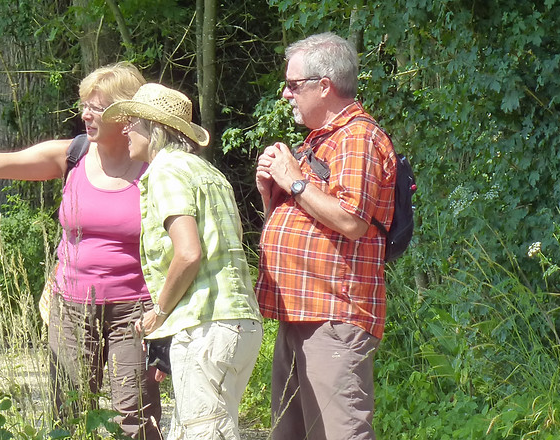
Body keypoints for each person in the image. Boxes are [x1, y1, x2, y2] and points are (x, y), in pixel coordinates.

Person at [0, 62, 162, 440]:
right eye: (84, 105)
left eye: (96, 108)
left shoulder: (156, 168)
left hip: (134, 311)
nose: (85, 114)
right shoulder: (73, 154)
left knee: (135, 419)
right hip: (71, 308)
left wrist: (163, 313)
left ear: (125, 115)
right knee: (69, 413)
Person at [254, 32, 397, 440]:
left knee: (339, 433)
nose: (286, 94)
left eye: (293, 84)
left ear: (324, 86)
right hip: (301, 314)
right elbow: (302, 222)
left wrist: (294, 181)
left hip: (334, 316)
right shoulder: (321, 140)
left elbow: (352, 220)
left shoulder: (357, 137)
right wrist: (271, 194)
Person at [102, 83, 263, 440]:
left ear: (154, 128)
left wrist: (159, 312)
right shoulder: (207, 171)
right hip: (240, 324)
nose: (125, 130)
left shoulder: (166, 170)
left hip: (207, 326)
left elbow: (189, 253)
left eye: (132, 122)